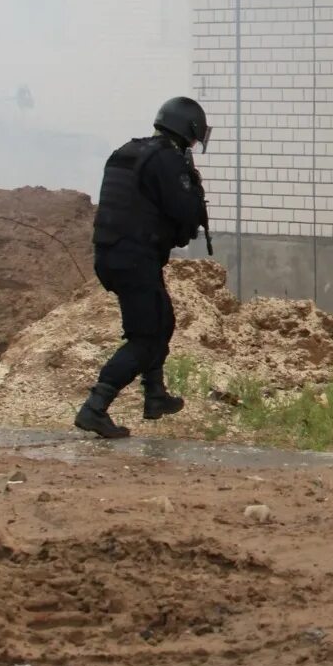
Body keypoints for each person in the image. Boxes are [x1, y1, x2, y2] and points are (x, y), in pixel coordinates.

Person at [73, 97, 210, 439]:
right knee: (146, 338)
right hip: (134, 260)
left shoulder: (130, 151)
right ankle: (95, 407)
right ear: (188, 129)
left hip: (115, 256)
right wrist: (193, 187)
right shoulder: (166, 160)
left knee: (162, 322)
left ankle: (155, 396)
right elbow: (185, 213)